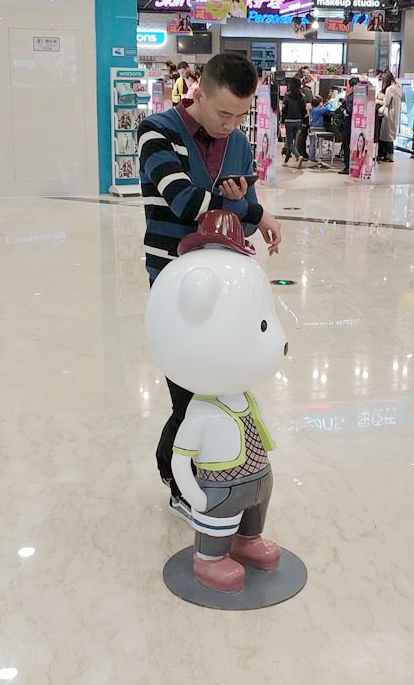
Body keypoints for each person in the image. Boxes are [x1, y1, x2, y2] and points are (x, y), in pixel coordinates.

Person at [138, 52, 282, 524]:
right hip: (176, 283)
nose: (231, 125)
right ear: (199, 91)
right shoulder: (157, 131)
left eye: (241, 115)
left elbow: (245, 215)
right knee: (188, 391)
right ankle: (176, 480)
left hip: (227, 285)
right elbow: (182, 201)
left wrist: (250, 211)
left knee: (220, 389)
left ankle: (216, 482)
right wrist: (247, 209)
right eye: (224, 113)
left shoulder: (237, 143)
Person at [280, 77, 307, 168]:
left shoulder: (287, 95)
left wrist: (282, 120)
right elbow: (304, 110)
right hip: (298, 121)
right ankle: (286, 160)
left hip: (289, 121)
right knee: (293, 142)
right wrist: (303, 120)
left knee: (289, 142)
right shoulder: (302, 96)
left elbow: (284, 109)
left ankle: (298, 156)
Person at [377, 71, 402, 162]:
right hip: (395, 114)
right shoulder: (398, 88)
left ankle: (388, 155)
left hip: (389, 115)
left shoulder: (390, 89)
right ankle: (387, 155)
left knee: (387, 136)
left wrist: (377, 100)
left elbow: (386, 102)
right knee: (390, 135)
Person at [339, 76, 359, 175]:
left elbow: (349, 111)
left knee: (346, 144)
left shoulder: (351, 96)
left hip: (348, 123)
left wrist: (343, 109)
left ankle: (348, 166)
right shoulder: (363, 95)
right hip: (358, 125)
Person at [308, 95, 332, 164]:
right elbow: (328, 107)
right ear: (319, 103)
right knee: (314, 143)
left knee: (312, 143)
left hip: (312, 128)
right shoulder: (319, 110)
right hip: (317, 129)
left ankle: (311, 156)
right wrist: (329, 102)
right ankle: (312, 158)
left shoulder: (313, 109)